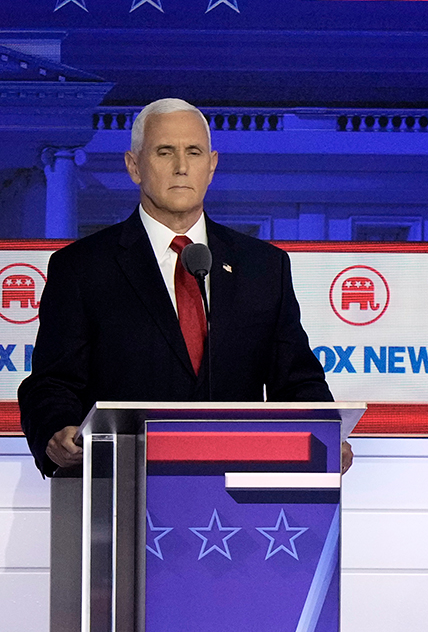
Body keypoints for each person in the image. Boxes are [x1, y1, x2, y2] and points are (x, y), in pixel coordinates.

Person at [17, 98, 347, 476]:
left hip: (239, 492)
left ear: (212, 165)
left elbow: (298, 380)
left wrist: (327, 435)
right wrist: (55, 433)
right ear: (134, 166)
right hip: (119, 486)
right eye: (164, 152)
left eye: (194, 152)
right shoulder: (82, 267)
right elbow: (51, 383)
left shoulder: (263, 266)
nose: (181, 167)